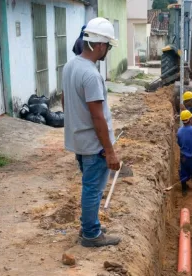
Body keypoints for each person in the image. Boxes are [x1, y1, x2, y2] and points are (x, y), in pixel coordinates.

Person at [62, 17, 121, 247]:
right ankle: (91, 234)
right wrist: (110, 151)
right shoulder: (91, 75)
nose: (107, 50)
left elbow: (66, 101)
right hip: (94, 145)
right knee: (93, 189)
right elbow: (98, 117)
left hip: (80, 140)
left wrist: (75, 124)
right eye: (107, 46)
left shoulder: (70, 66)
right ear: (99, 45)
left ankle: (89, 224)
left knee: (90, 186)